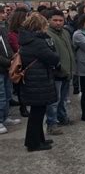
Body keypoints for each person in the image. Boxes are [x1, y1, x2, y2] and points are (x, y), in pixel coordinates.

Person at [20, 13, 60, 151]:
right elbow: (53, 58)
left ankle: (38, 139)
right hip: (38, 80)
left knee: (37, 113)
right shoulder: (37, 42)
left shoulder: (28, 40)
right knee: (37, 114)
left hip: (33, 79)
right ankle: (33, 143)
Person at [45, 9, 76, 135]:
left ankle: (62, 117)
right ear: (49, 21)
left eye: (60, 20)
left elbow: (70, 50)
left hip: (67, 71)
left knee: (63, 98)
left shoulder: (65, 33)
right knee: (54, 100)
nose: (58, 23)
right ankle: (51, 124)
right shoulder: (47, 35)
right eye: (55, 20)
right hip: (56, 73)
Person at [7, 7, 29, 117]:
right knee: (21, 87)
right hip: (19, 62)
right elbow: (17, 48)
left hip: (27, 61)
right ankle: (23, 107)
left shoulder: (26, 31)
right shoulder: (12, 35)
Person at [0, 24, 17, 134]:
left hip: (6, 69)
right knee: (0, 95)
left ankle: (5, 117)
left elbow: (7, 46)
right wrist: (8, 62)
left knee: (6, 94)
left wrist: (13, 57)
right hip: (2, 67)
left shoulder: (2, 30)